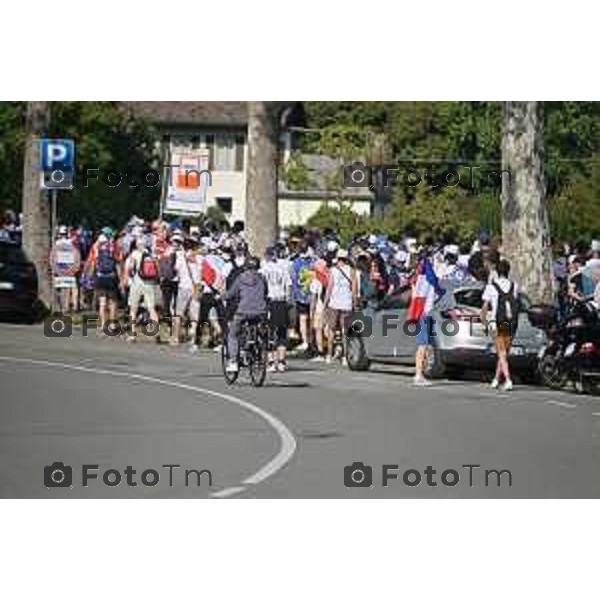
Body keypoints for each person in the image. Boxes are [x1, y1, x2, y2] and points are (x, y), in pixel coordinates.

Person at [223, 256, 268, 373]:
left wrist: (221, 296)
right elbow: (265, 292)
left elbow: (231, 294)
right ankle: (258, 347)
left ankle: (233, 361)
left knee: (232, 334)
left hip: (243, 311)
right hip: (260, 311)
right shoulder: (262, 278)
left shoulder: (241, 278)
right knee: (259, 326)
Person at [481, 259, 519, 391]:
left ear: (496, 272)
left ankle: (508, 380)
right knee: (503, 353)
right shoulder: (514, 286)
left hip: (498, 321)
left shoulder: (491, 287)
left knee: (501, 353)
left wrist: (485, 323)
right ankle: (496, 379)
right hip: (511, 321)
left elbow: (484, 308)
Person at [407, 253, 445, 386]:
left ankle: (419, 374)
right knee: (422, 345)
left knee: (422, 345)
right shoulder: (424, 279)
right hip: (424, 313)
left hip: (419, 313)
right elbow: (434, 283)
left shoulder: (415, 278)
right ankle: (418, 375)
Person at [323, 249, 357, 365]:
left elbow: (329, 287)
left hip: (334, 302)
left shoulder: (332, 270)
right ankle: (344, 356)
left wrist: (325, 302)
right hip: (346, 302)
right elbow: (354, 289)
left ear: (337, 259)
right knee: (345, 331)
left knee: (332, 329)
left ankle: (329, 354)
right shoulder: (351, 271)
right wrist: (355, 302)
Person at [261, 246, 292, 372]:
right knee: (281, 332)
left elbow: (261, 287)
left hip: (269, 301)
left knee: (268, 332)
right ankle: (281, 362)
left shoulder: (263, 270)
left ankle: (270, 362)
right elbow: (288, 286)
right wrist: (288, 301)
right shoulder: (282, 269)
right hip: (281, 301)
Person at [124, 236, 161, 342]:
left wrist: (128, 278)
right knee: (151, 308)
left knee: (133, 309)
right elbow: (157, 268)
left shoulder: (134, 254)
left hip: (137, 283)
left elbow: (130, 268)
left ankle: (132, 334)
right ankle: (156, 331)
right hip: (149, 283)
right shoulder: (151, 254)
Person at [85, 232, 119, 336]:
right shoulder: (112, 249)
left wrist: (90, 276)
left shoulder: (96, 249)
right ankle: (112, 325)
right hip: (111, 277)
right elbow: (118, 261)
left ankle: (103, 326)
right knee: (112, 302)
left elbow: (93, 263)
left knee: (102, 303)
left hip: (100, 278)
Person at [50, 225, 81, 314]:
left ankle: (65, 306)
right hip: (71, 267)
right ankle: (75, 305)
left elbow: (54, 255)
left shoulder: (57, 243)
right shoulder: (70, 242)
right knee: (73, 287)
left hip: (60, 267)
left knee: (64, 287)